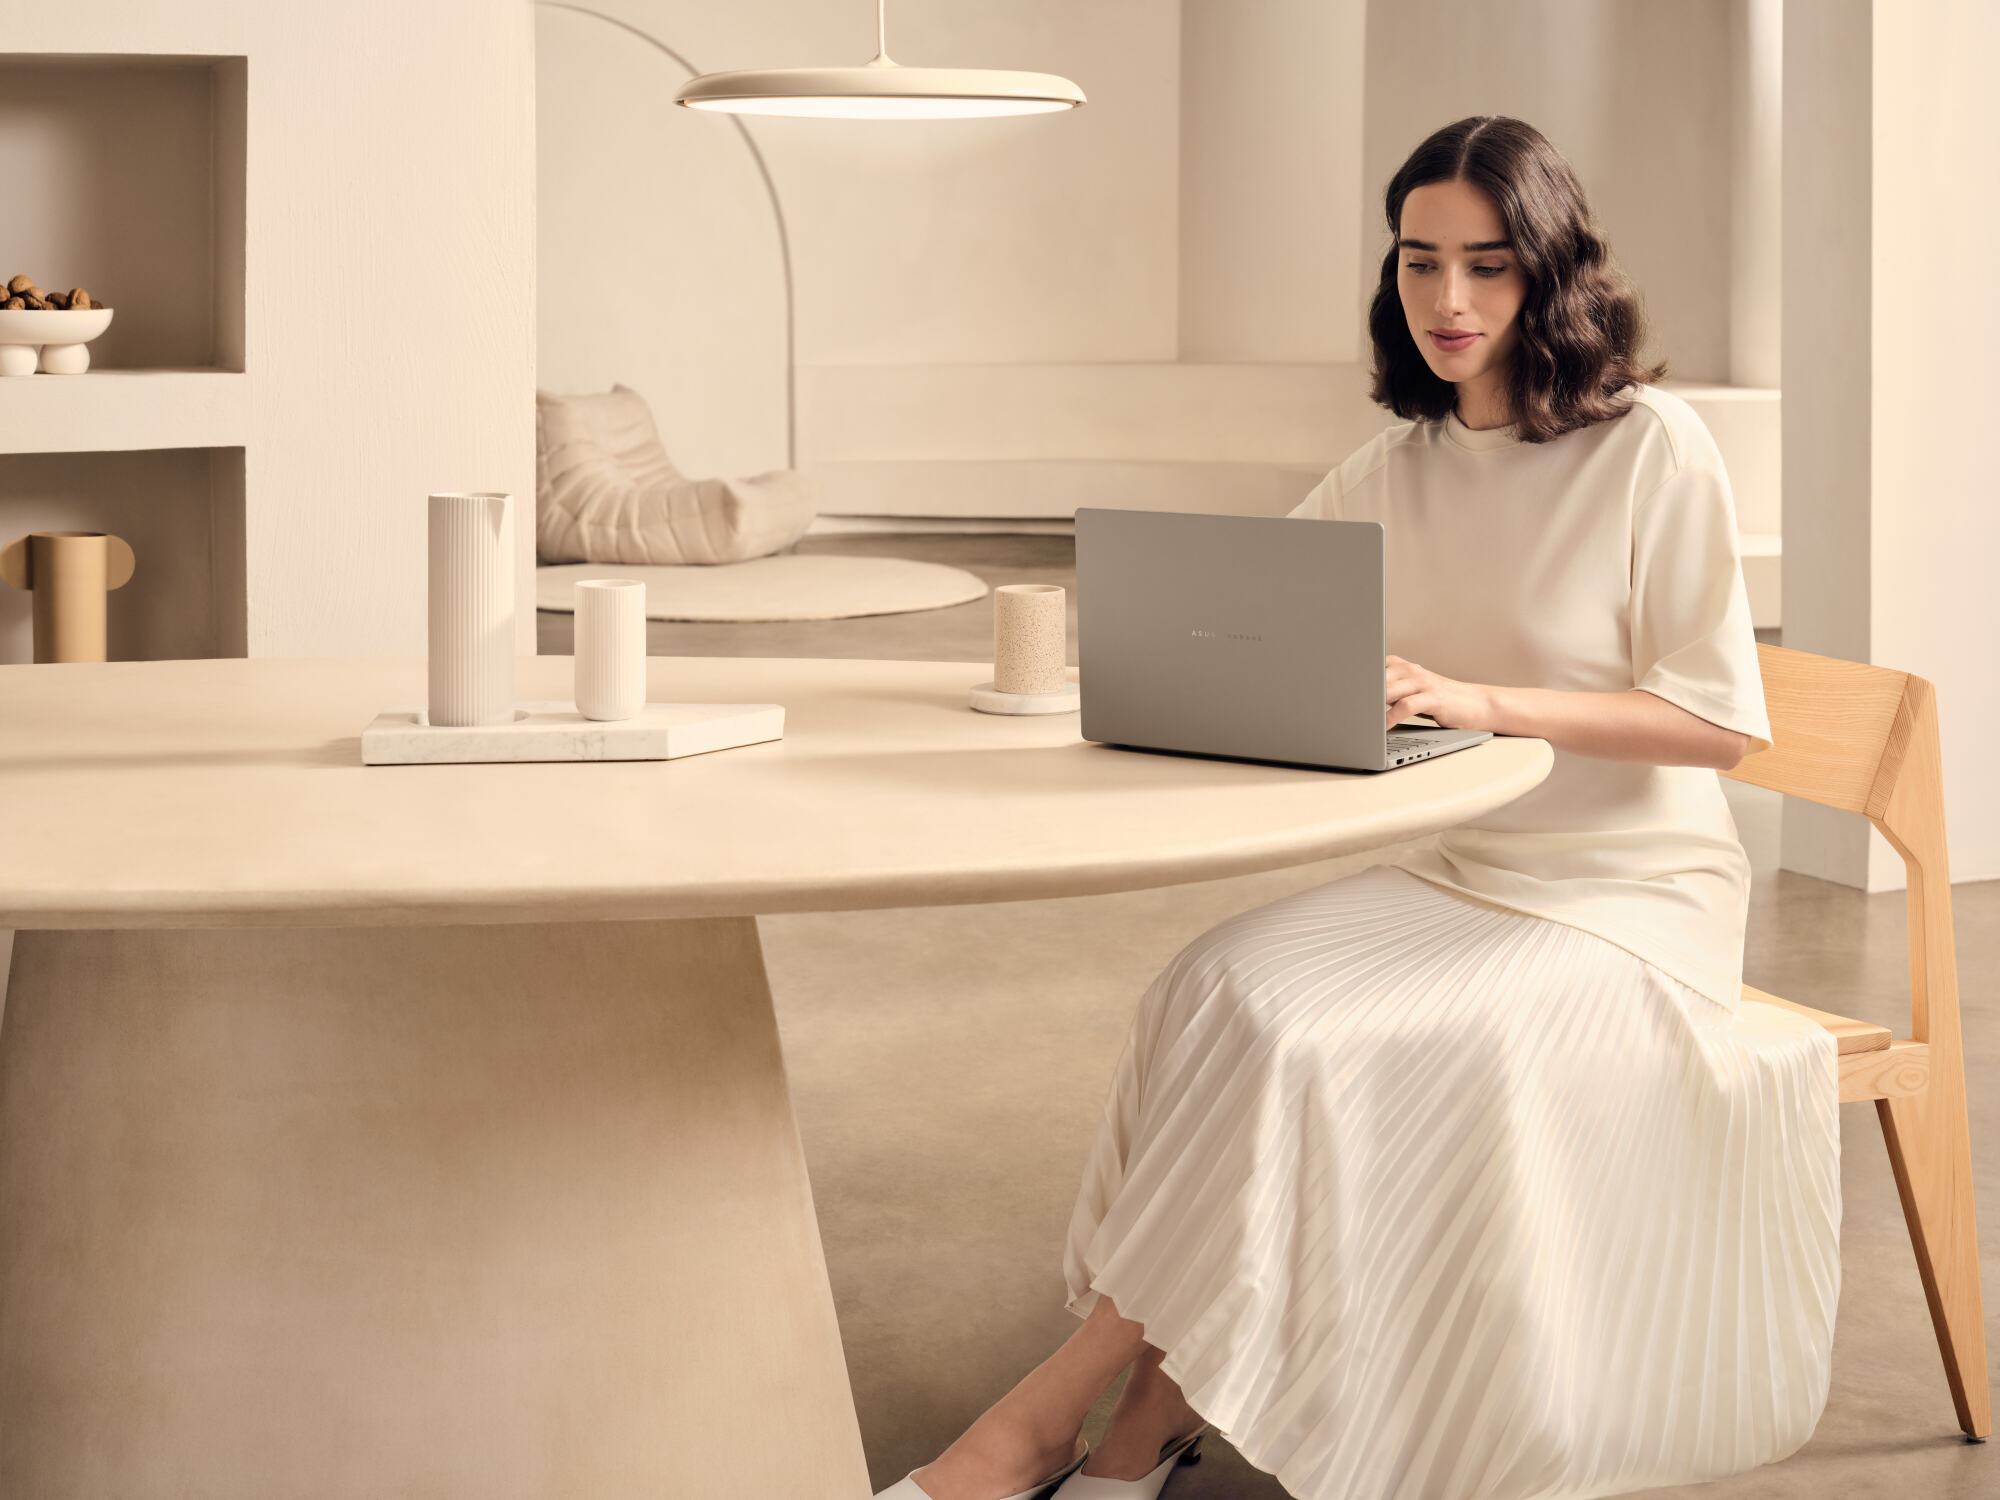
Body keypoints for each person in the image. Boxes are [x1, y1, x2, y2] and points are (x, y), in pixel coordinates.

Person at [877, 115, 1840, 1500]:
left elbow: (1718, 727)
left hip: (1632, 905)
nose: (1449, 303)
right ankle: (1150, 1419)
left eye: (1490, 268)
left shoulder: (1655, 452)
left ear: (1549, 274)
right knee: (1211, 990)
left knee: (1302, 1045)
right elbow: (1251, 627)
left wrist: (1483, 699)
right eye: (1419, 263)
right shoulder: (1392, 469)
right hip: (1458, 872)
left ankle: (1050, 1424)